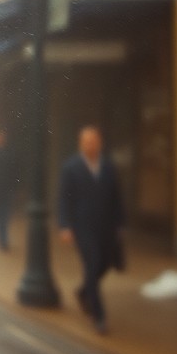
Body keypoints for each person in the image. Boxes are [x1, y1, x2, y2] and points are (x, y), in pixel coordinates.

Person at [57, 125, 125, 336]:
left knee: (104, 264)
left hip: (105, 227)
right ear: (80, 144)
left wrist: (121, 223)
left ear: (100, 143)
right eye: (86, 142)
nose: (90, 145)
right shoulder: (71, 168)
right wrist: (65, 226)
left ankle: (83, 291)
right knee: (92, 263)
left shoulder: (108, 166)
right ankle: (99, 316)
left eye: (93, 141)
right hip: (82, 227)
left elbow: (116, 197)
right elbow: (63, 199)